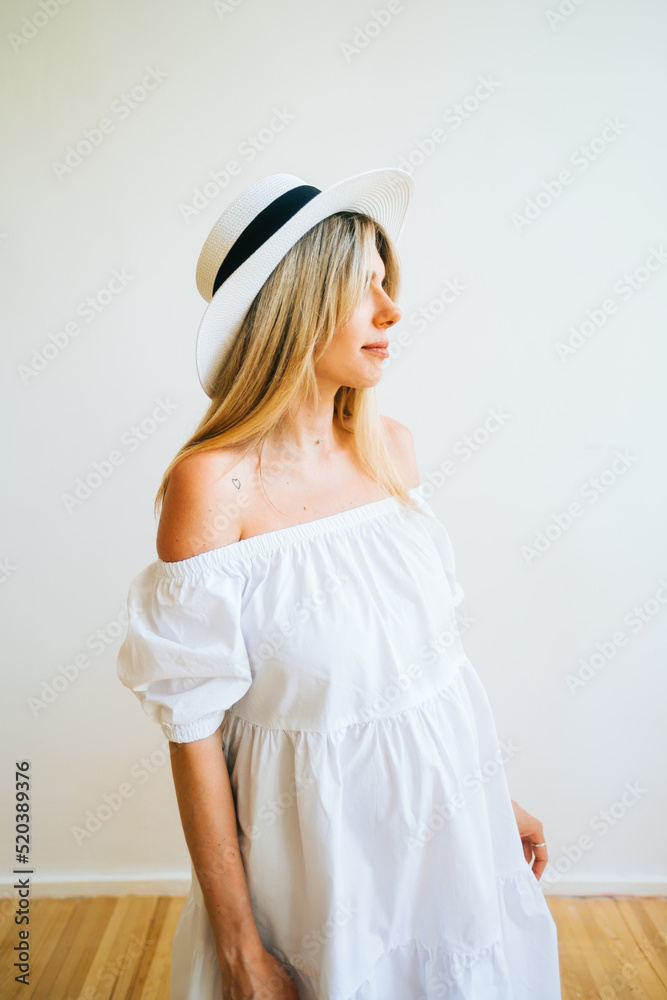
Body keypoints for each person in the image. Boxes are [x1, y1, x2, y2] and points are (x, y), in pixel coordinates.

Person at [117, 168, 562, 999]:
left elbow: (431, 675)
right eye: (364, 287)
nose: (392, 311)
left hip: (450, 853)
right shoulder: (214, 490)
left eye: (387, 283)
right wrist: (242, 953)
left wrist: (488, 804)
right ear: (294, 307)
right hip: (323, 874)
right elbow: (193, 736)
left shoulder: (392, 451)